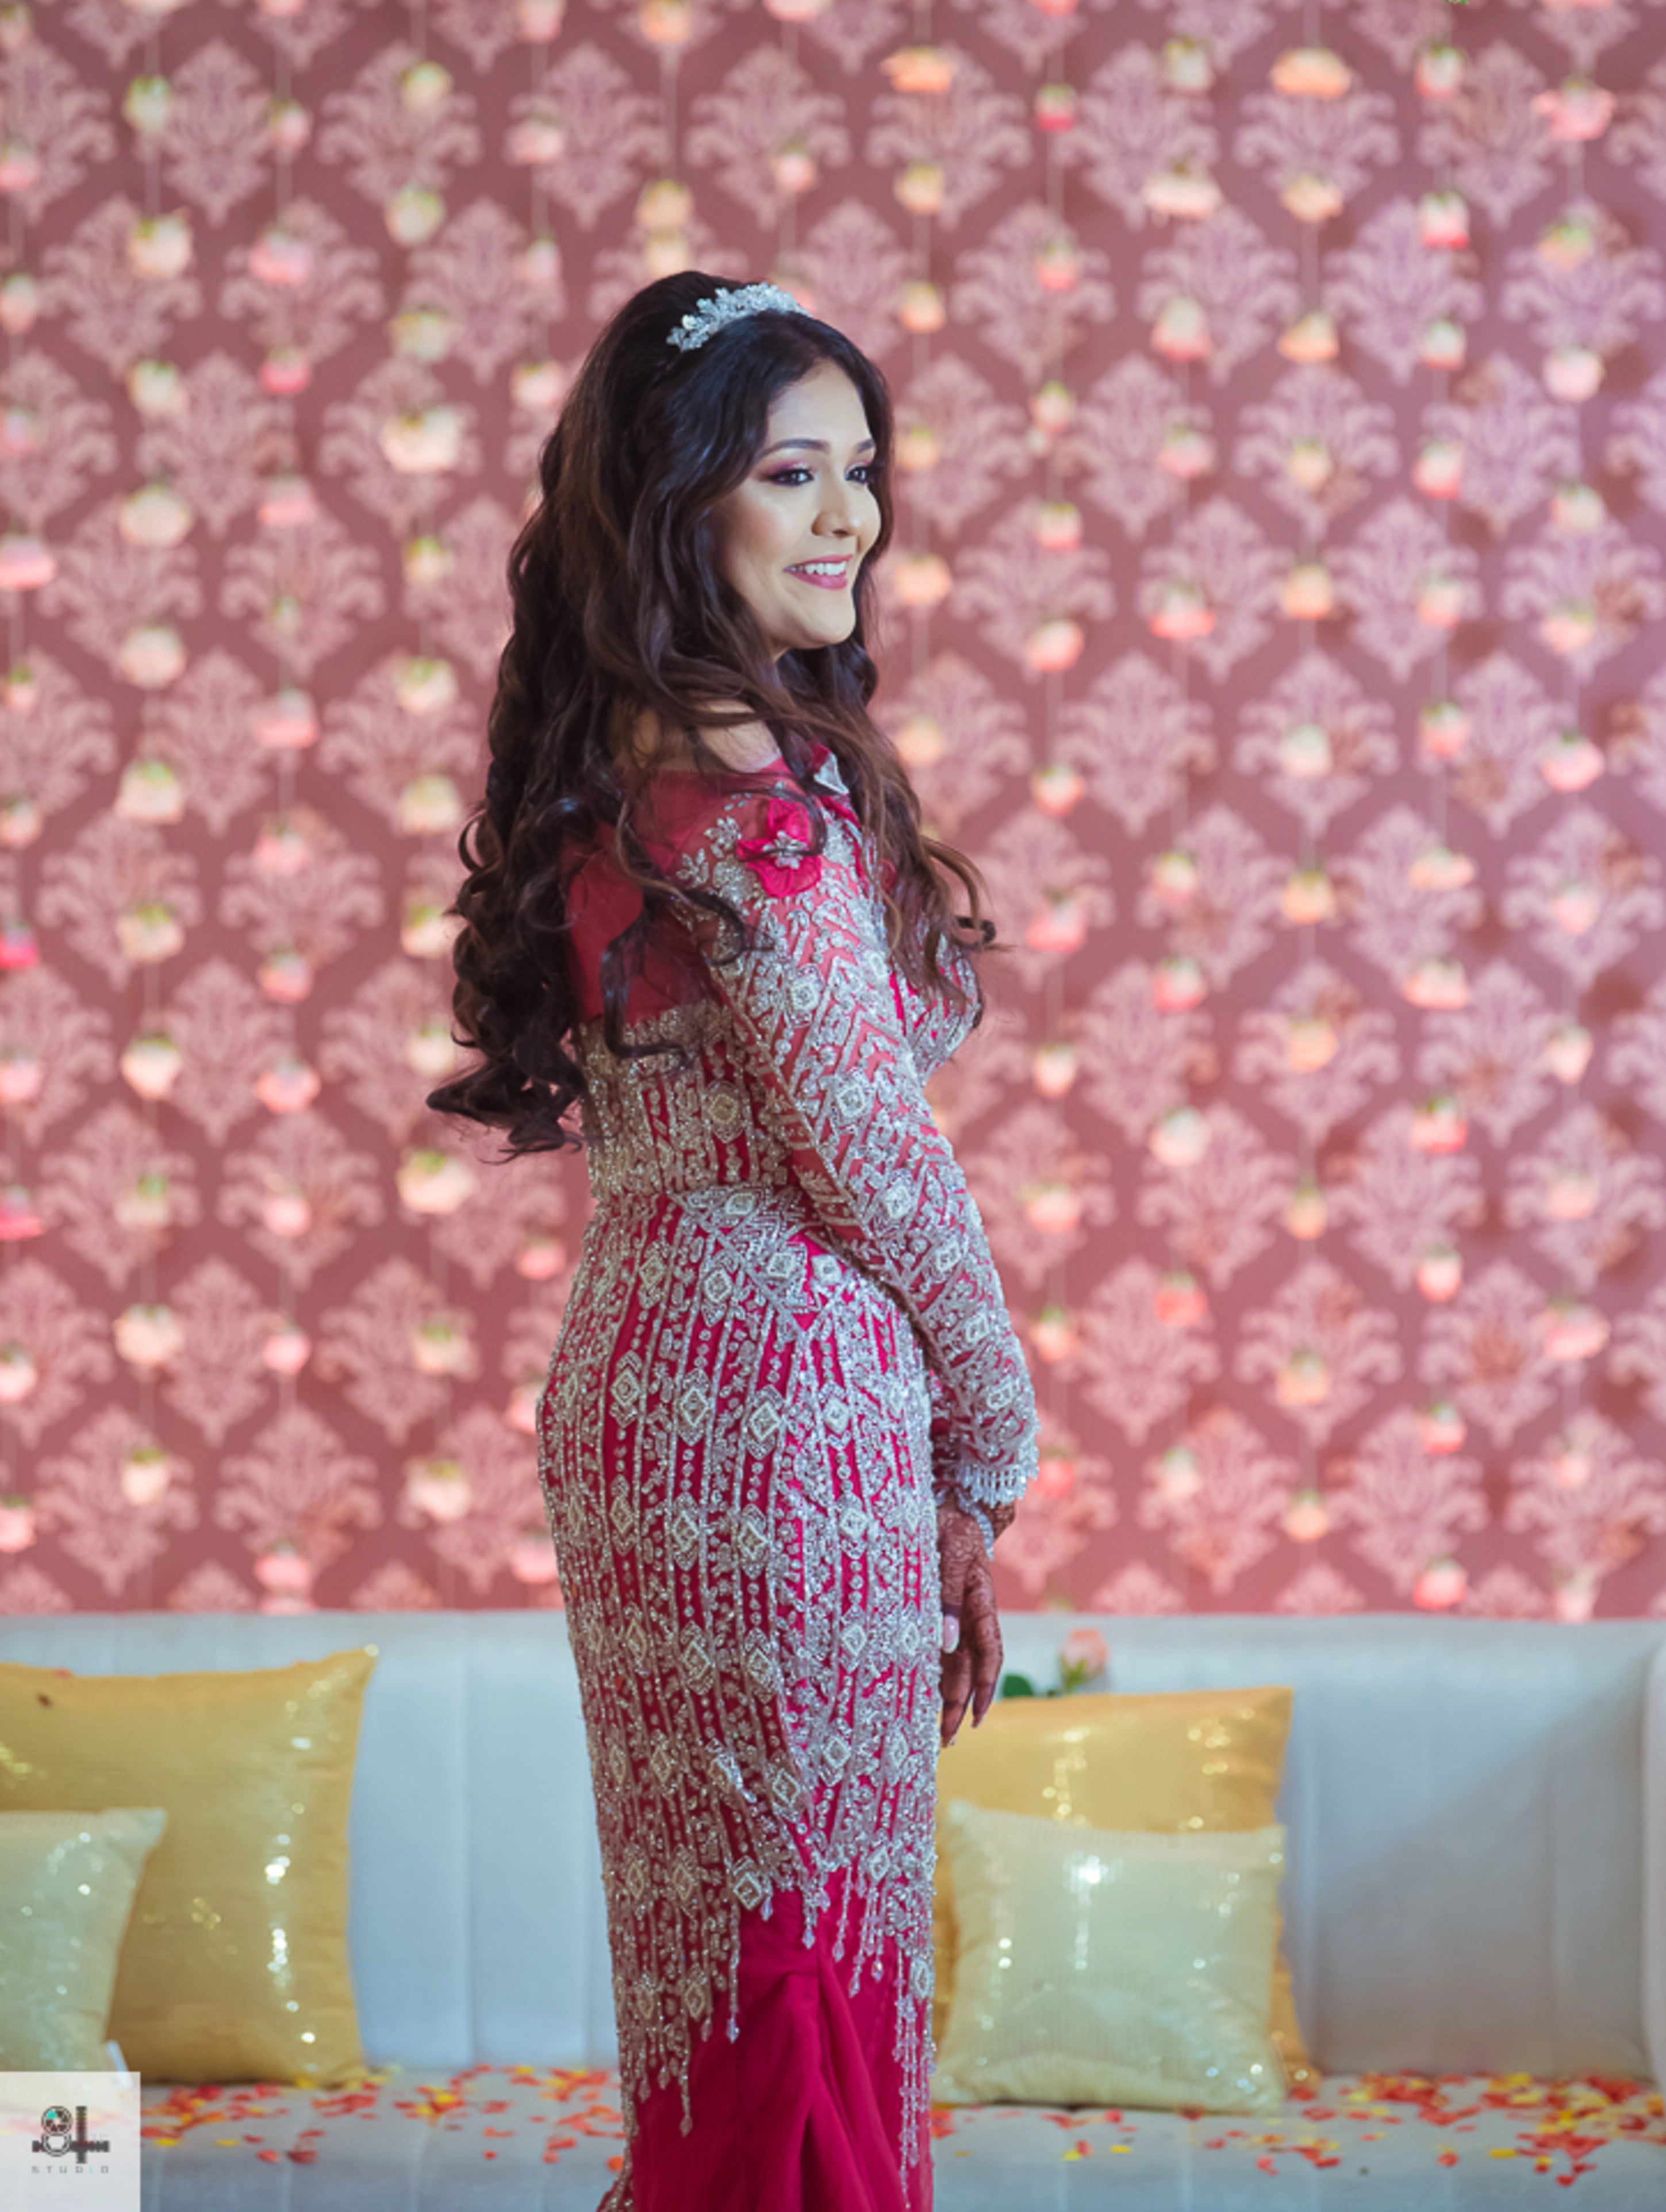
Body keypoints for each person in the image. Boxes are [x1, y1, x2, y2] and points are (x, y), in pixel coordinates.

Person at [427, 271, 1041, 2211]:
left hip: (650, 1379)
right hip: (779, 1401)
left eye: (861, 469)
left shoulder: (630, 755)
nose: (850, 516)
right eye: (791, 474)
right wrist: (991, 1444)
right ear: (674, 500)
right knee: (797, 1974)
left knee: (731, 1965)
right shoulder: (746, 791)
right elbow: (875, 1156)